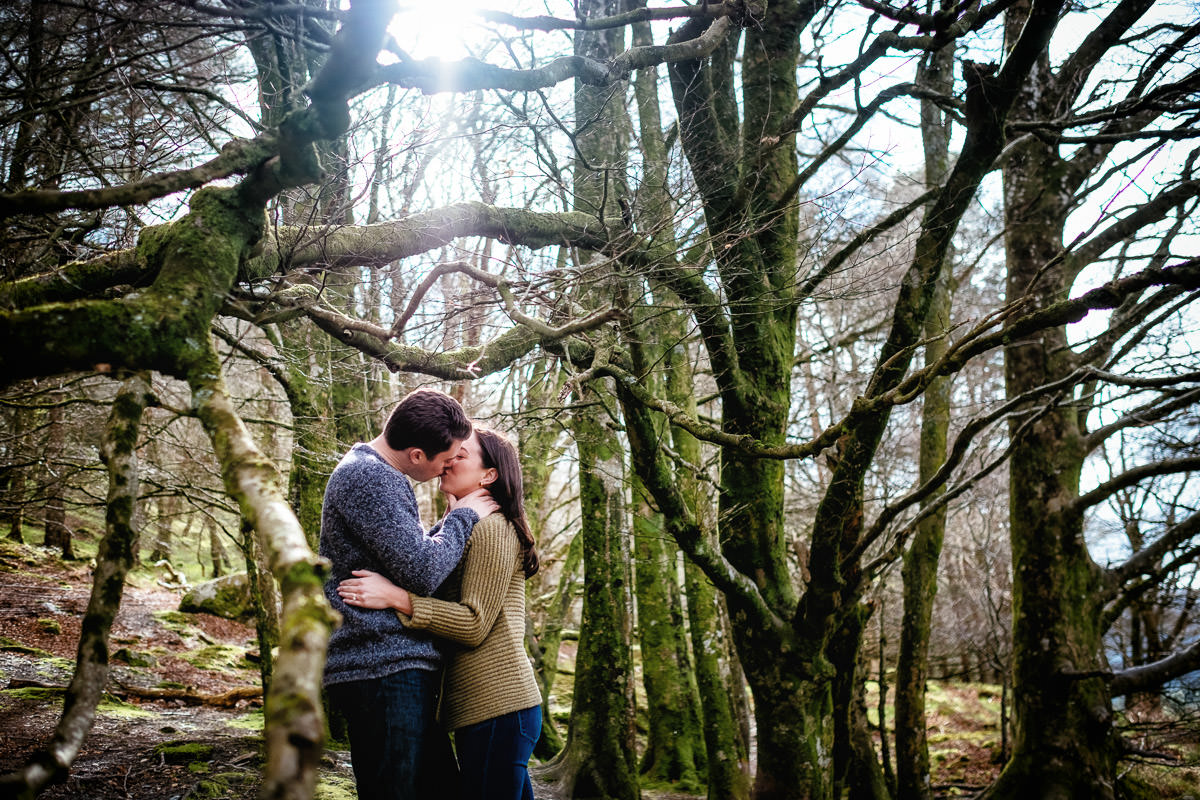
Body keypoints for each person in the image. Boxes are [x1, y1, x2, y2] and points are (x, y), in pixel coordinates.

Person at [338, 427, 543, 800]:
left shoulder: (492, 529)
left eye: (460, 456)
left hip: (499, 705)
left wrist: (398, 598)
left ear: (489, 475)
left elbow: (474, 623)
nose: (448, 461)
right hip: (480, 708)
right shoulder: (462, 528)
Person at [321, 388, 498, 800]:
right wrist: (465, 515)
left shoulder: (374, 472)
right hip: (380, 664)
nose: (448, 467)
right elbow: (422, 570)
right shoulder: (369, 477)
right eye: (446, 458)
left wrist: (446, 527)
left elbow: (407, 555)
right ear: (417, 454)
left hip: (388, 663)